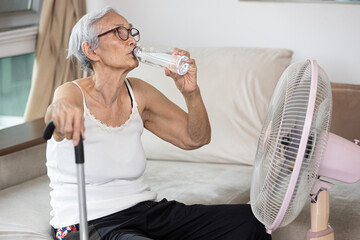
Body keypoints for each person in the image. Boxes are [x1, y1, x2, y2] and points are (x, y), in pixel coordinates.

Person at [45, 6, 271, 240]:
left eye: (131, 32)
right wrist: (60, 112)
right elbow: (58, 113)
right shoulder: (72, 93)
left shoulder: (139, 92)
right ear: (91, 50)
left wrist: (191, 93)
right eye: (119, 32)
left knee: (251, 221)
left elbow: (196, 139)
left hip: (144, 212)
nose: (131, 39)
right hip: (86, 223)